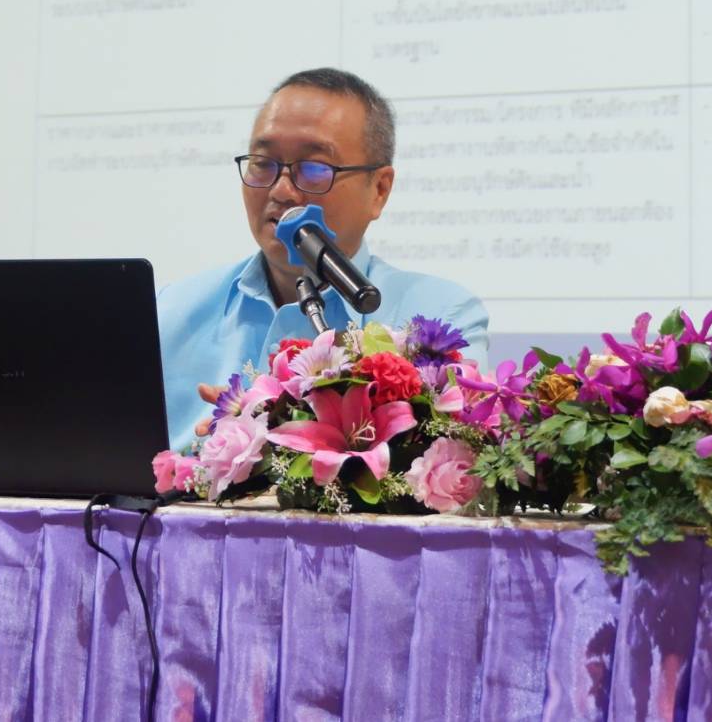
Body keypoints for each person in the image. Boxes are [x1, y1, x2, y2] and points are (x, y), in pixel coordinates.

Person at [156, 67, 489, 449]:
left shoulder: (439, 317)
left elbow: (455, 451)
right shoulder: (170, 312)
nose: (282, 191)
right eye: (263, 163)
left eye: (315, 169)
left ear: (379, 190)